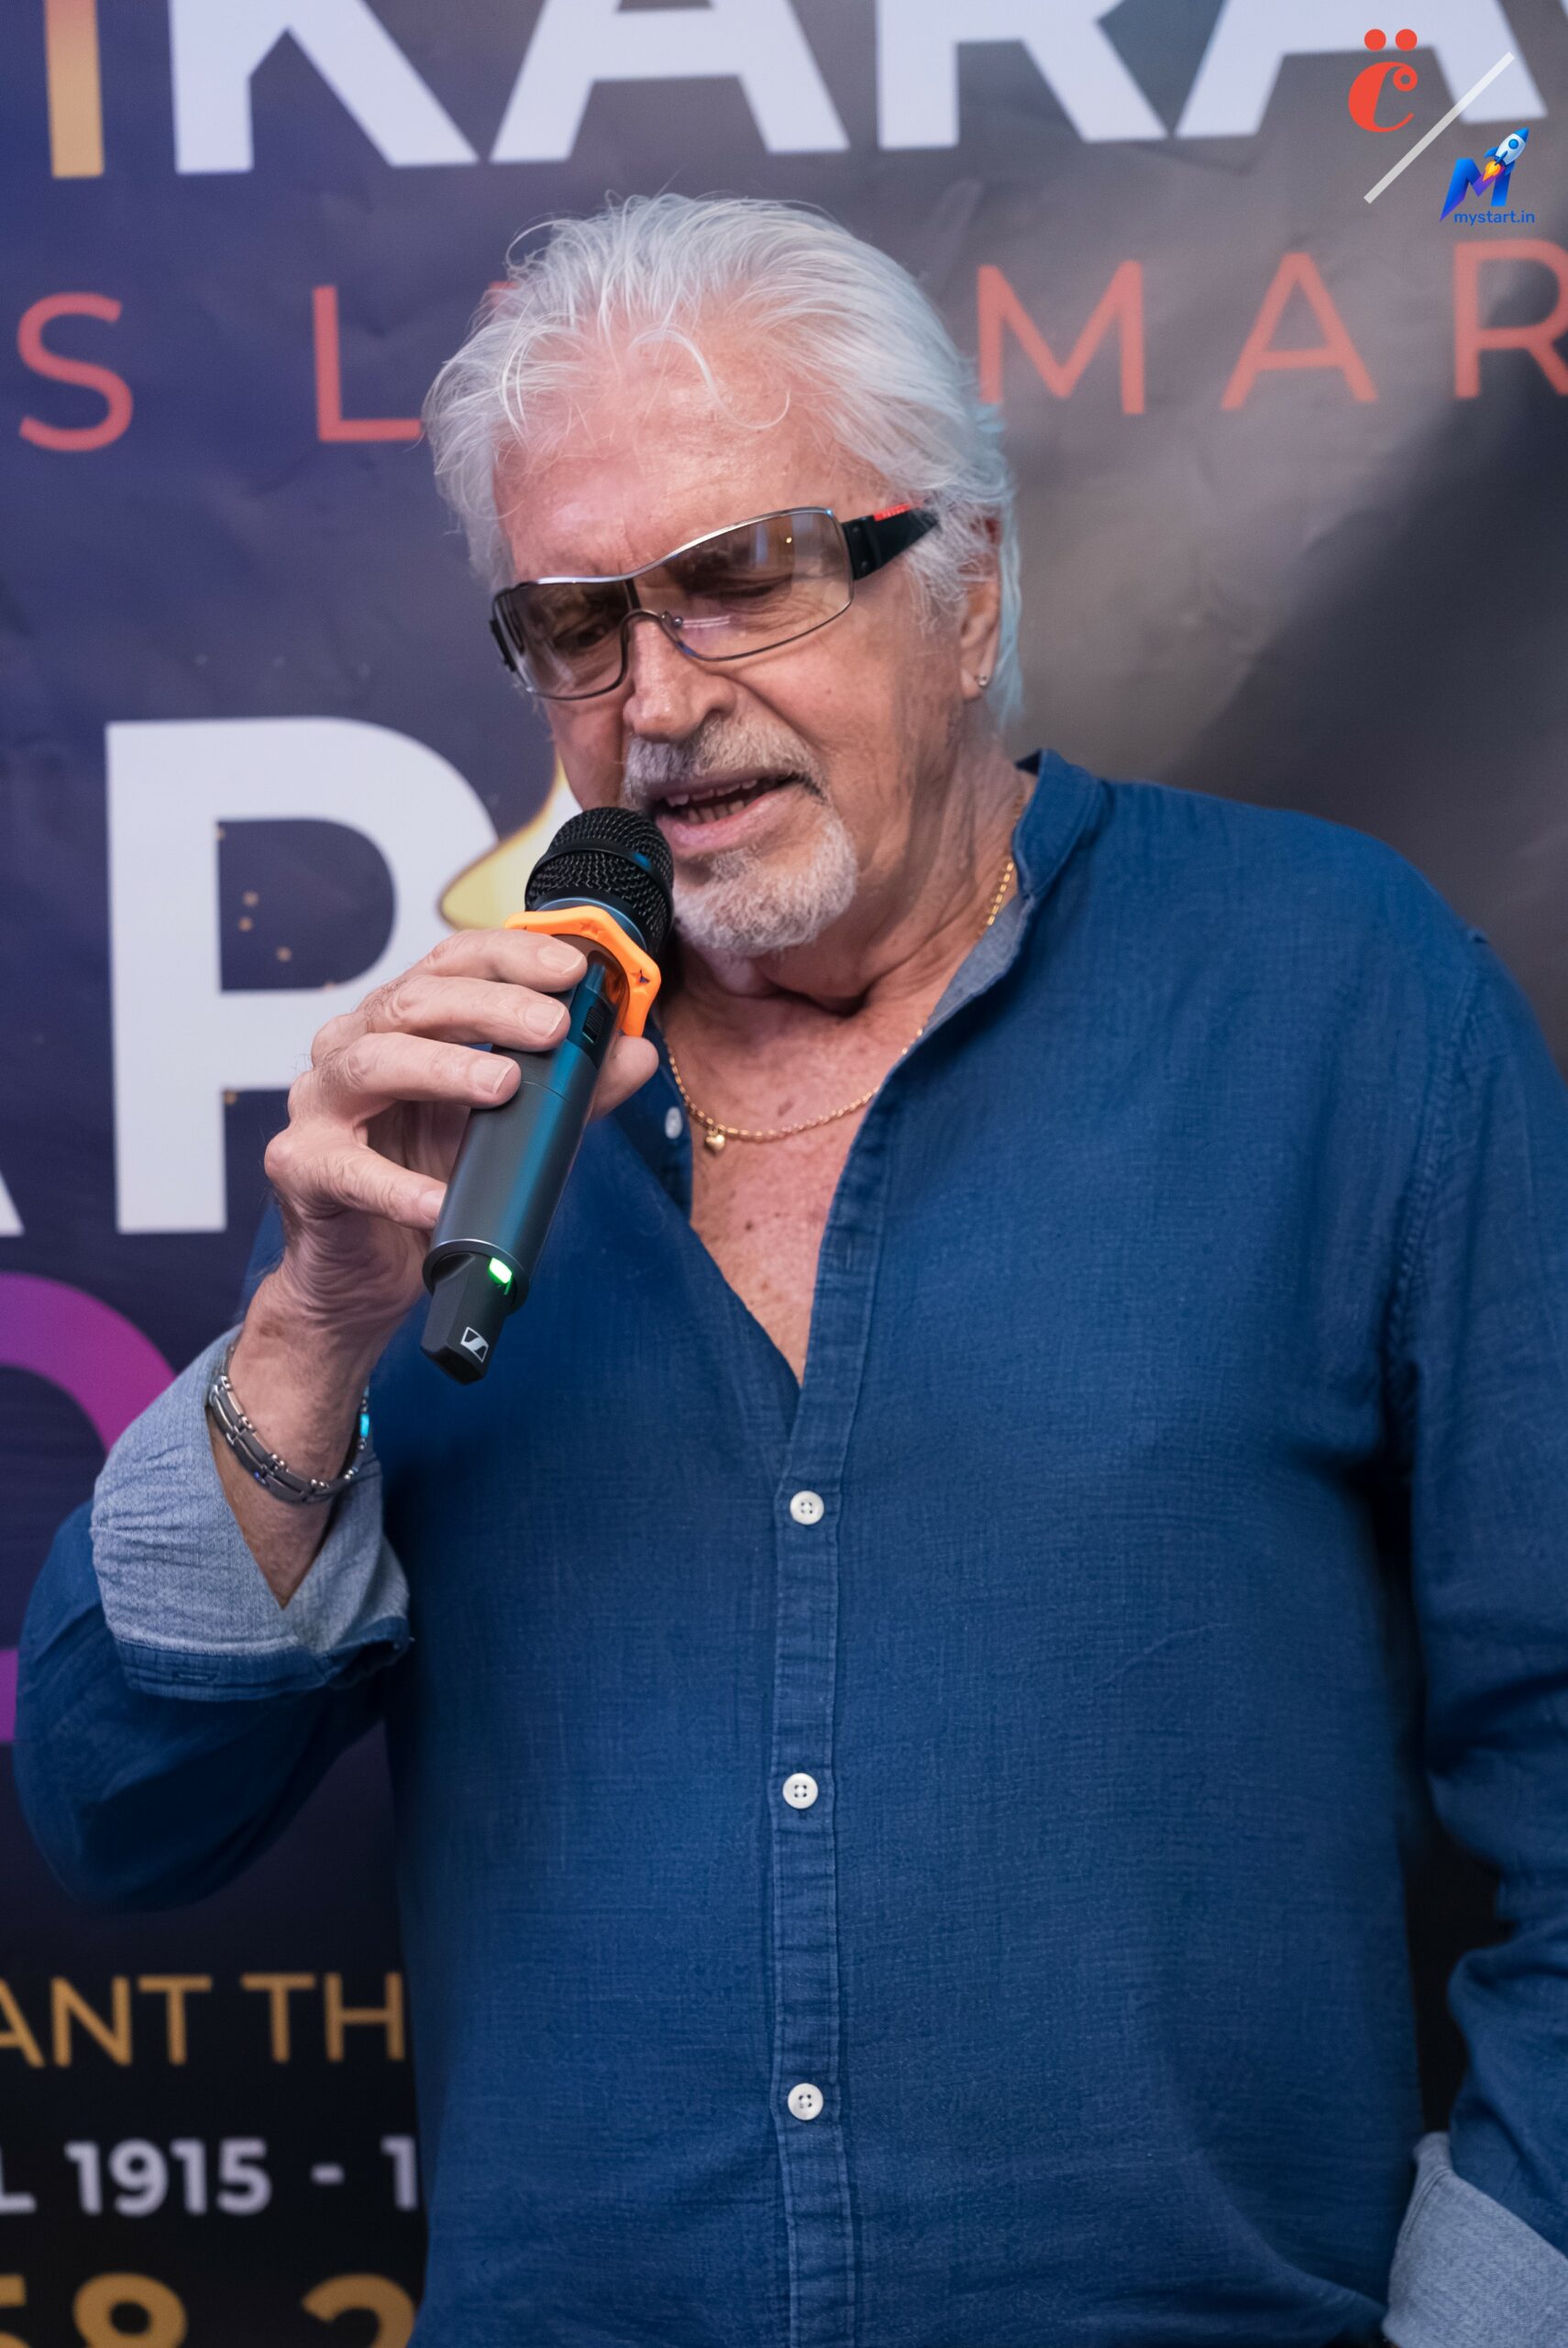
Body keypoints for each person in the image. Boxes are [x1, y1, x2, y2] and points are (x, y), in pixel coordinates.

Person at [16, 194, 1568, 2348]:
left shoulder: (1338, 989)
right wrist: (311, 1327)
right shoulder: (467, 1109)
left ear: (969, 584)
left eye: (743, 575)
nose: (657, 700)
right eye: (574, 623)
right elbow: (117, 1813)